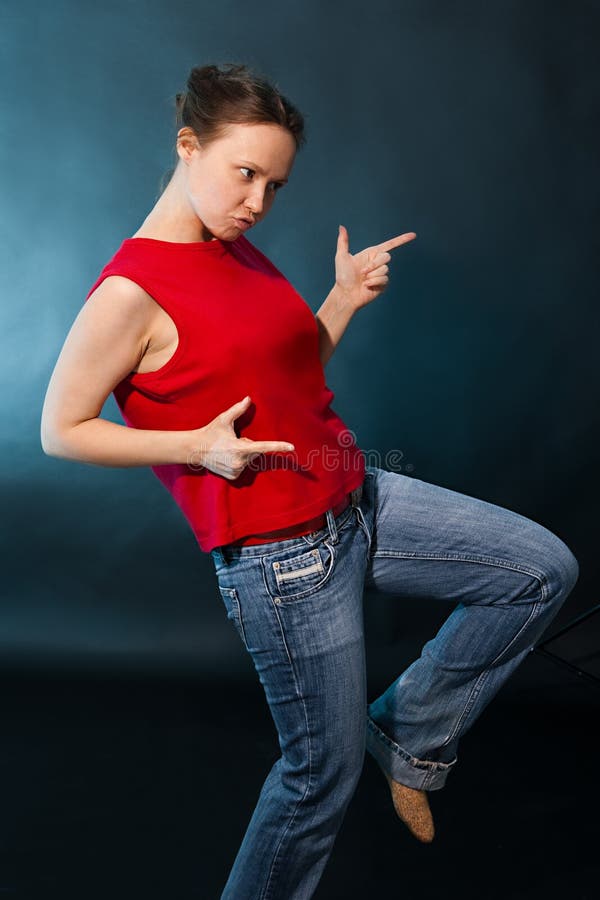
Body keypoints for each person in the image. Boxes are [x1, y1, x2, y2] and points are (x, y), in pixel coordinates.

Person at [40, 62, 580, 899]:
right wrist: (194, 447)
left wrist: (341, 300)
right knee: (317, 780)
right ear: (189, 147)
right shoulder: (130, 293)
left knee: (541, 569)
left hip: (355, 497)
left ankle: (408, 732)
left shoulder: (234, 247)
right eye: (243, 172)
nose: (257, 200)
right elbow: (58, 431)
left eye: (274, 184)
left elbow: (282, 383)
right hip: (282, 562)